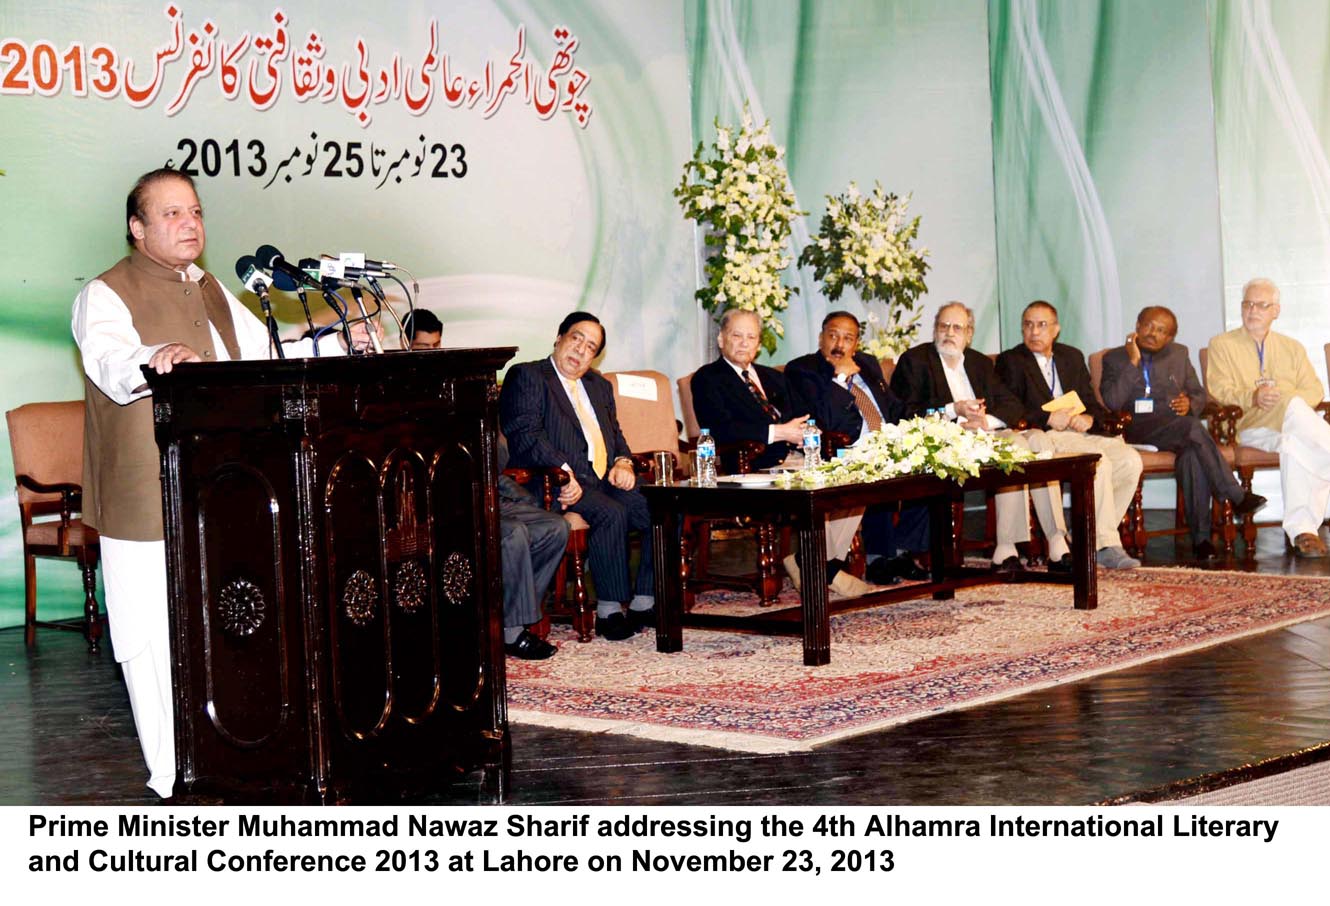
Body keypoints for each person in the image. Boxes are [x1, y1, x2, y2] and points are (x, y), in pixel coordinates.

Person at [72, 168, 376, 798]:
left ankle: (231, 755)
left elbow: (264, 358)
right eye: (172, 214)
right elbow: (110, 363)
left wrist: (336, 348)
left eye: (196, 212)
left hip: (223, 496)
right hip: (145, 503)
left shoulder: (209, 288)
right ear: (137, 228)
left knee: (230, 629)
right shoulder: (104, 294)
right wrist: (157, 358)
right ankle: (171, 781)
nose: (190, 225)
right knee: (152, 640)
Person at [691, 308, 879, 599]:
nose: (743, 343)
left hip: (798, 457)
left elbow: (801, 416)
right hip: (750, 466)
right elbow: (720, 428)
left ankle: (812, 563)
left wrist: (807, 434)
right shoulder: (708, 378)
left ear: (758, 343)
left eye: (750, 337)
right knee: (828, 488)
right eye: (736, 335)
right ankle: (822, 569)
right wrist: (779, 432)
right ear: (721, 339)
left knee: (855, 484)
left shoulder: (772, 377)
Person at [499, 312, 654, 640]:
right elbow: (524, 433)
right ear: (558, 338)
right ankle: (610, 611)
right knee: (612, 513)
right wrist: (564, 472)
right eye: (576, 339)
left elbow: (615, 434)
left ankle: (645, 600)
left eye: (591, 346)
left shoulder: (599, 385)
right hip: (552, 483)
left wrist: (624, 462)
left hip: (601, 479)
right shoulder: (528, 376)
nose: (581, 350)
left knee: (661, 504)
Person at [889, 302, 1072, 573]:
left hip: (988, 434)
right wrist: (954, 410)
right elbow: (904, 412)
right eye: (943, 326)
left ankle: (1057, 542)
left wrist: (986, 421)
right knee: (1017, 447)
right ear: (935, 330)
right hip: (950, 440)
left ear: (969, 334)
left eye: (957, 327)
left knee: (1040, 442)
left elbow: (1012, 405)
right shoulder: (915, 361)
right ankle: (1005, 548)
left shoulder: (978, 363)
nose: (949, 333)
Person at [1100, 305, 1266, 558]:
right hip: (1135, 429)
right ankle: (1234, 494)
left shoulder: (1178, 354)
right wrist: (1133, 362)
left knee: (1192, 454)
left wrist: (1191, 404)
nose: (1153, 333)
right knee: (1191, 427)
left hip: (1173, 428)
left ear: (1170, 338)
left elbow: (1198, 394)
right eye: (1148, 326)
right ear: (1136, 326)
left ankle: (1201, 540)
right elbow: (1112, 402)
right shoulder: (1114, 358)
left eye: (1161, 330)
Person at [784, 310, 930, 584]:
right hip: (843, 447)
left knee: (932, 466)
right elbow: (827, 418)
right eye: (833, 336)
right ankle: (876, 559)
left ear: (856, 344)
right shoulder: (803, 370)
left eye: (848, 338)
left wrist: (931, 422)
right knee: (869, 468)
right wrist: (839, 380)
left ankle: (900, 552)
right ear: (820, 338)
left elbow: (895, 407)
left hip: (885, 442)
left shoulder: (868, 364)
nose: (839, 344)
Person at [996, 300, 1144, 568]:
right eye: (1028, 325)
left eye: (1042, 325)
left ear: (1056, 330)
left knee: (1130, 460)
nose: (1034, 332)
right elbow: (1010, 407)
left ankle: (1087, 533)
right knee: (1098, 462)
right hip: (1046, 434)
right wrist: (1047, 417)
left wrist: (1089, 418)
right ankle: (1104, 545)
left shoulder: (1071, 357)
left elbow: (1090, 400)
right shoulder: (1011, 360)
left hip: (1079, 432)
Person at [1205, 278, 1329, 557]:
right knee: (1294, 407)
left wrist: (1287, 400)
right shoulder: (1221, 344)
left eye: (1262, 305)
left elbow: (1314, 389)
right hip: (1249, 425)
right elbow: (1218, 388)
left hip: (1289, 426)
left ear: (1276, 310)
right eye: (1248, 304)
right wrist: (1253, 396)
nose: (1253, 311)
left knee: (1293, 440)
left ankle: (1303, 531)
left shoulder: (1292, 347)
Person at [496, 436, 566, 659]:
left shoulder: (478, 417)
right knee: (513, 532)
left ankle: (513, 609)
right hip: (456, 504)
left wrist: (521, 496)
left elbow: (495, 467)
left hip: (494, 497)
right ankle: (512, 633)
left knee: (555, 527)